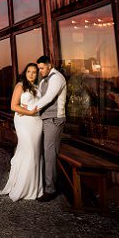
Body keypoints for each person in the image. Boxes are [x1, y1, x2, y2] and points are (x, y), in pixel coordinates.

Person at [0, 63, 43, 201]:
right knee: (29, 150)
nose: (31, 74)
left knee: (34, 153)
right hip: (24, 122)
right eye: (29, 71)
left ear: (37, 74)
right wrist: (28, 111)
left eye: (34, 72)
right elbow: (13, 106)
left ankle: (34, 188)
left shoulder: (38, 87)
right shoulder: (20, 85)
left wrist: (36, 110)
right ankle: (22, 188)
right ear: (25, 73)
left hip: (37, 122)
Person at [33, 55, 68, 202]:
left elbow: (48, 98)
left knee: (49, 154)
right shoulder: (44, 80)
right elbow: (40, 96)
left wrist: (30, 109)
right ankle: (45, 183)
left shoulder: (57, 78)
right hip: (44, 119)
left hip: (54, 120)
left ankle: (51, 189)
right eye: (39, 68)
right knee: (41, 151)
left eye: (42, 68)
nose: (40, 71)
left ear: (49, 65)